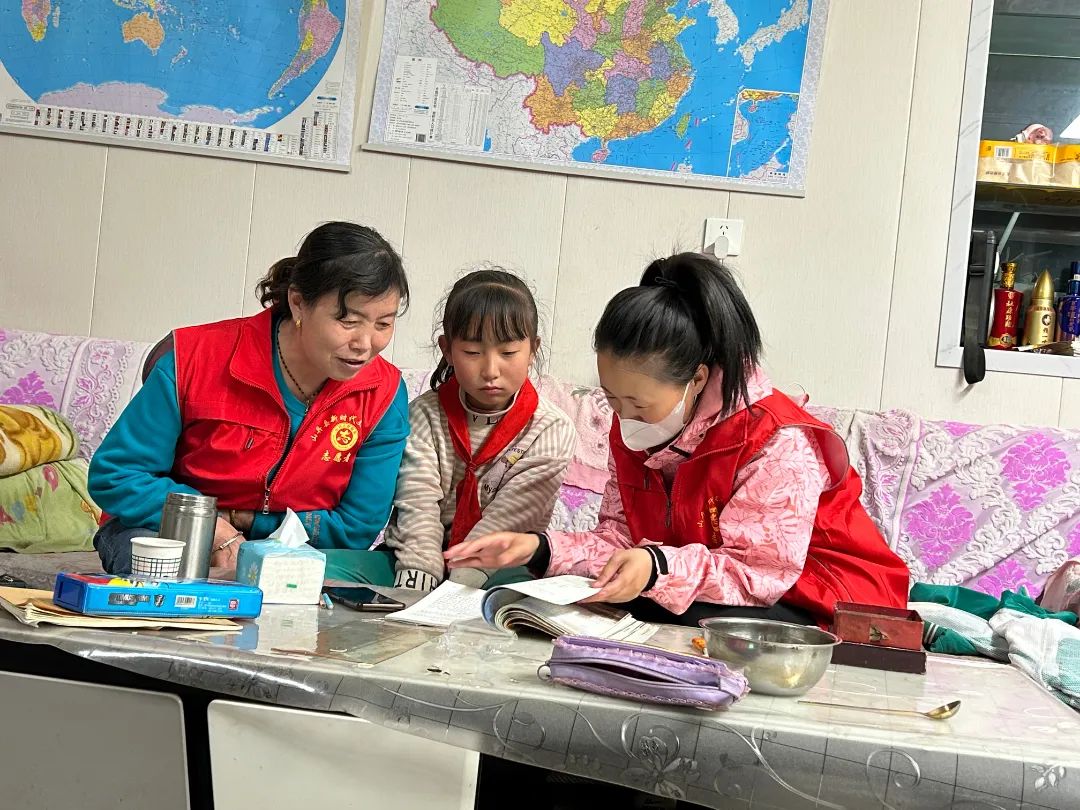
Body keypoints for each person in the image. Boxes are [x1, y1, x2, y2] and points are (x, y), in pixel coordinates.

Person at [444, 252, 910, 626]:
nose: (623, 417)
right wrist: (541, 549)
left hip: (827, 603)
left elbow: (756, 575)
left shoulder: (777, 442)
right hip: (719, 593)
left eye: (638, 403)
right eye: (612, 398)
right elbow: (619, 537)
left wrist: (656, 568)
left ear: (697, 379)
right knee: (531, 597)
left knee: (651, 610)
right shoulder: (637, 427)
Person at [88, 222, 410, 582]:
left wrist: (247, 524)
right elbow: (117, 475)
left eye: (383, 324)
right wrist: (213, 528)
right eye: (347, 320)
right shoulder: (195, 357)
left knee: (372, 578)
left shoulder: (383, 393)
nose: (365, 344)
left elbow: (357, 526)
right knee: (167, 575)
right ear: (298, 303)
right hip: (171, 532)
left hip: (299, 549)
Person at [382, 267, 576, 591]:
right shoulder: (424, 415)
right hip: (417, 557)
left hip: (500, 566)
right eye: (472, 353)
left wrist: (456, 594)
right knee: (337, 572)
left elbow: (510, 519)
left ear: (533, 350)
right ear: (447, 349)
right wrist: (417, 581)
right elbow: (417, 507)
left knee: (518, 597)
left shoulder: (551, 429)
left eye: (508, 352)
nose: (490, 370)